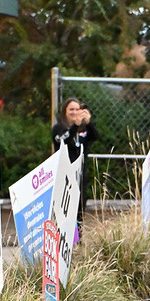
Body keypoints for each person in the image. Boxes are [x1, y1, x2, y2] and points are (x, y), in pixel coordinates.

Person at [52, 97, 99, 226]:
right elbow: (63, 141)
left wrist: (88, 123)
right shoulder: (58, 128)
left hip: (80, 177)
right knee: (65, 212)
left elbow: (95, 136)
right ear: (65, 111)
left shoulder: (83, 130)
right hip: (65, 178)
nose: (74, 112)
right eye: (71, 109)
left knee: (79, 212)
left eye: (77, 109)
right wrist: (75, 126)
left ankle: (78, 236)